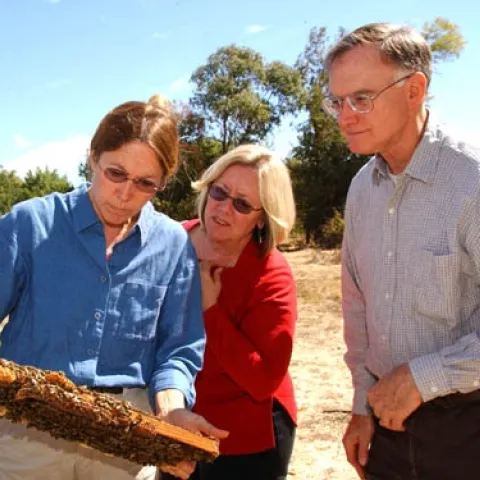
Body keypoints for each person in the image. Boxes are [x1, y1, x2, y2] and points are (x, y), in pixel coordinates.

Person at [0, 94, 227, 480]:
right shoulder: (29, 223)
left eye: (145, 183)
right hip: (26, 432)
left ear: (164, 183)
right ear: (92, 157)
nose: (125, 194)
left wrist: (172, 412)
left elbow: (178, 348)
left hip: (127, 438)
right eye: (115, 173)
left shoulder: (173, 246)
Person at [323, 22, 480, 480]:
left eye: (361, 99)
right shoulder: (360, 190)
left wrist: (424, 377)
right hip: (385, 431)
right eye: (337, 101)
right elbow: (357, 308)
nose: (345, 116)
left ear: (415, 90)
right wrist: (360, 404)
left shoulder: (472, 182)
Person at [165, 144, 297, 480]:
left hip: (246, 436)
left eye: (241, 204)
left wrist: (210, 309)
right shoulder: (170, 243)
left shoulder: (271, 274)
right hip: (175, 417)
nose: (223, 208)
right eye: (219, 192)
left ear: (262, 217)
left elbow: (264, 379)